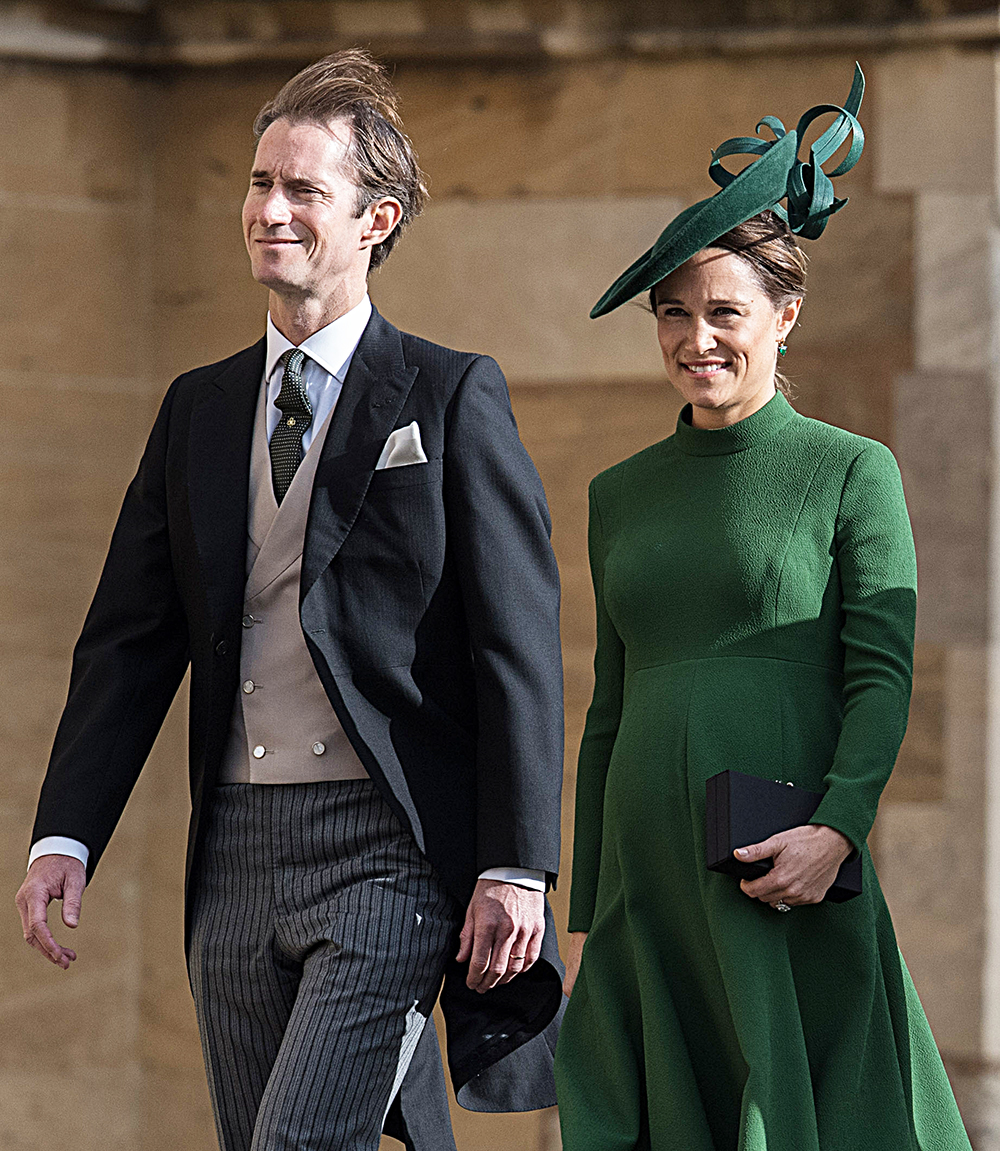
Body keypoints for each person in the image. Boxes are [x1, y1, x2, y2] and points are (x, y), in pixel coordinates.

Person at [15, 49, 565, 1151]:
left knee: (297, 1141)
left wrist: (516, 863)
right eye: (260, 183)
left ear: (377, 218)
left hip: (386, 845)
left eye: (303, 189)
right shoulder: (197, 408)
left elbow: (517, 644)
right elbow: (127, 641)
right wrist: (65, 832)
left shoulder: (453, 394)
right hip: (233, 847)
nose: (269, 209)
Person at [554, 67, 971, 1150]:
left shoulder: (852, 470)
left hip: (775, 864)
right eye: (674, 313)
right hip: (649, 880)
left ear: (785, 316)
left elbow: (881, 675)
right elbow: (608, 706)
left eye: (725, 312)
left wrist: (836, 828)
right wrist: (592, 913)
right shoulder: (616, 493)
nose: (698, 338)